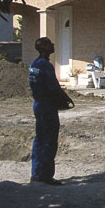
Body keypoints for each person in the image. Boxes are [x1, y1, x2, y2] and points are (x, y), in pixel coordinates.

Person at [28, 37, 64, 186]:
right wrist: (63, 101)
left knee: (40, 139)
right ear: (44, 47)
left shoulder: (34, 64)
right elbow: (53, 88)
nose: (53, 45)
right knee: (49, 139)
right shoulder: (45, 66)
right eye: (49, 43)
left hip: (38, 104)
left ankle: (36, 173)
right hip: (47, 106)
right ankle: (45, 175)